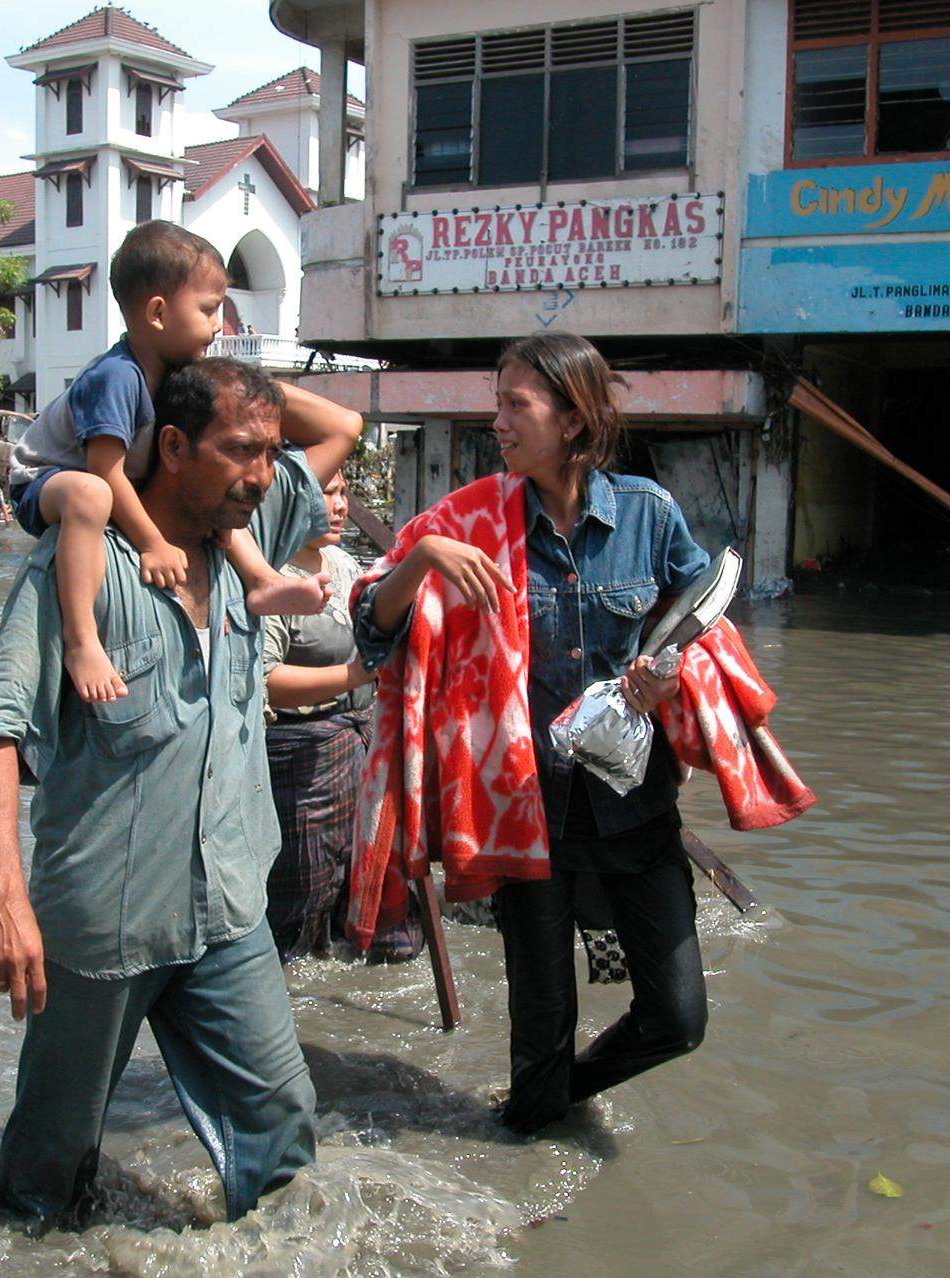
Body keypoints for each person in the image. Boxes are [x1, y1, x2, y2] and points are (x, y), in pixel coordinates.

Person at [0, 357, 362, 1221]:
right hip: (104, 922)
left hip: (226, 909)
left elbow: (340, 429)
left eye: (270, 453)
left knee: (284, 1126)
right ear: (172, 446)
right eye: (240, 451)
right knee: (49, 1175)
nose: (264, 475)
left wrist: (198, 365)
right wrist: (2, 896)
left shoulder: (251, 529)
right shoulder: (81, 563)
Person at [353, 332, 713, 1135]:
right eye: (497, 403)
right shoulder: (468, 520)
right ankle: (537, 1118)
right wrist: (422, 559)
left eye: (517, 404)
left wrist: (670, 672)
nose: (500, 423)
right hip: (526, 817)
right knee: (540, 1034)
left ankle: (547, 1100)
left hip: (636, 809)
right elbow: (372, 630)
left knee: (678, 1018)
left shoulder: (649, 517)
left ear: (574, 416)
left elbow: (702, 624)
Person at [5, 220, 327, 705]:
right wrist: (153, 543)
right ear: (157, 312)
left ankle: (260, 579)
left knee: (211, 496)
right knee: (90, 497)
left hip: (106, 481)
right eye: (209, 309)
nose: (220, 324)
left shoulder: (168, 372)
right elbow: (104, 471)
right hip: (44, 480)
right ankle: (83, 641)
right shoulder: (117, 377)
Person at [260, 470, 420, 962]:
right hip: (300, 754)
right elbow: (263, 681)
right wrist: (357, 675)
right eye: (324, 493)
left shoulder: (345, 563)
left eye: (343, 492)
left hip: (362, 742)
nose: (338, 505)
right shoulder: (271, 578)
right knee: (303, 885)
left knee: (367, 869)